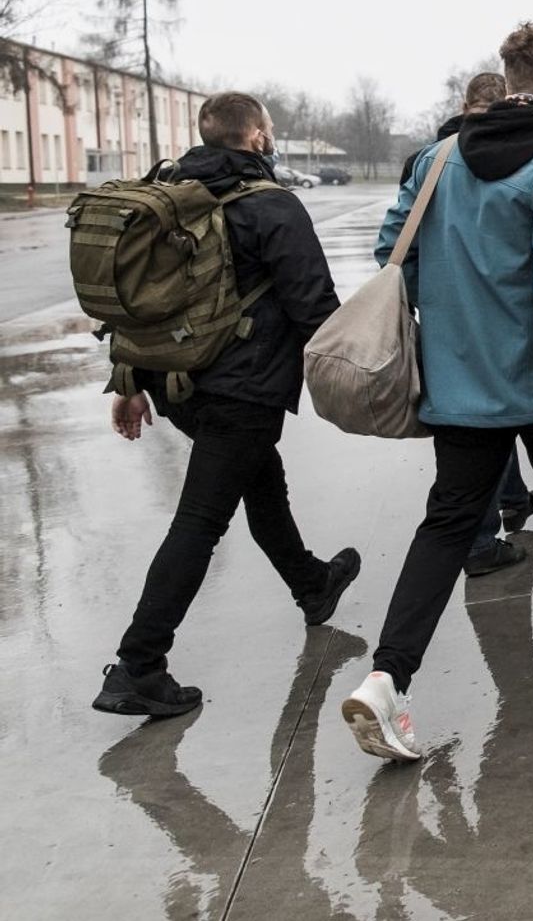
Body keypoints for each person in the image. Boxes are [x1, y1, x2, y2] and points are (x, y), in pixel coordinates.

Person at [344, 22, 533, 762]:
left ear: (508, 78)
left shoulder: (438, 158)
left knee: (447, 525)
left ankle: (387, 679)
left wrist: (457, 313)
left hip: (460, 380)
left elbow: (391, 251)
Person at [93, 91, 358, 718]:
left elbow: (131, 302)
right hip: (242, 389)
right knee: (201, 519)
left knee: (260, 479)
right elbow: (315, 306)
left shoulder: (165, 193)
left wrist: (128, 380)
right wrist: (363, 376)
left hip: (176, 384)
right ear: (257, 137)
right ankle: (138, 665)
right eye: (269, 129)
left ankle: (311, 584)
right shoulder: (271, 204)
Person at [406, 71, 533, 577]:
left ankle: (512, 500)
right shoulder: (525, 156)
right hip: (508, 323)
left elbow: (395, 246)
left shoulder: (427, 161)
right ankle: (482, 542)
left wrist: (430, 299)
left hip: (447, 327)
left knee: (470, 429)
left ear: (464, 105)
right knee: (492, 422)